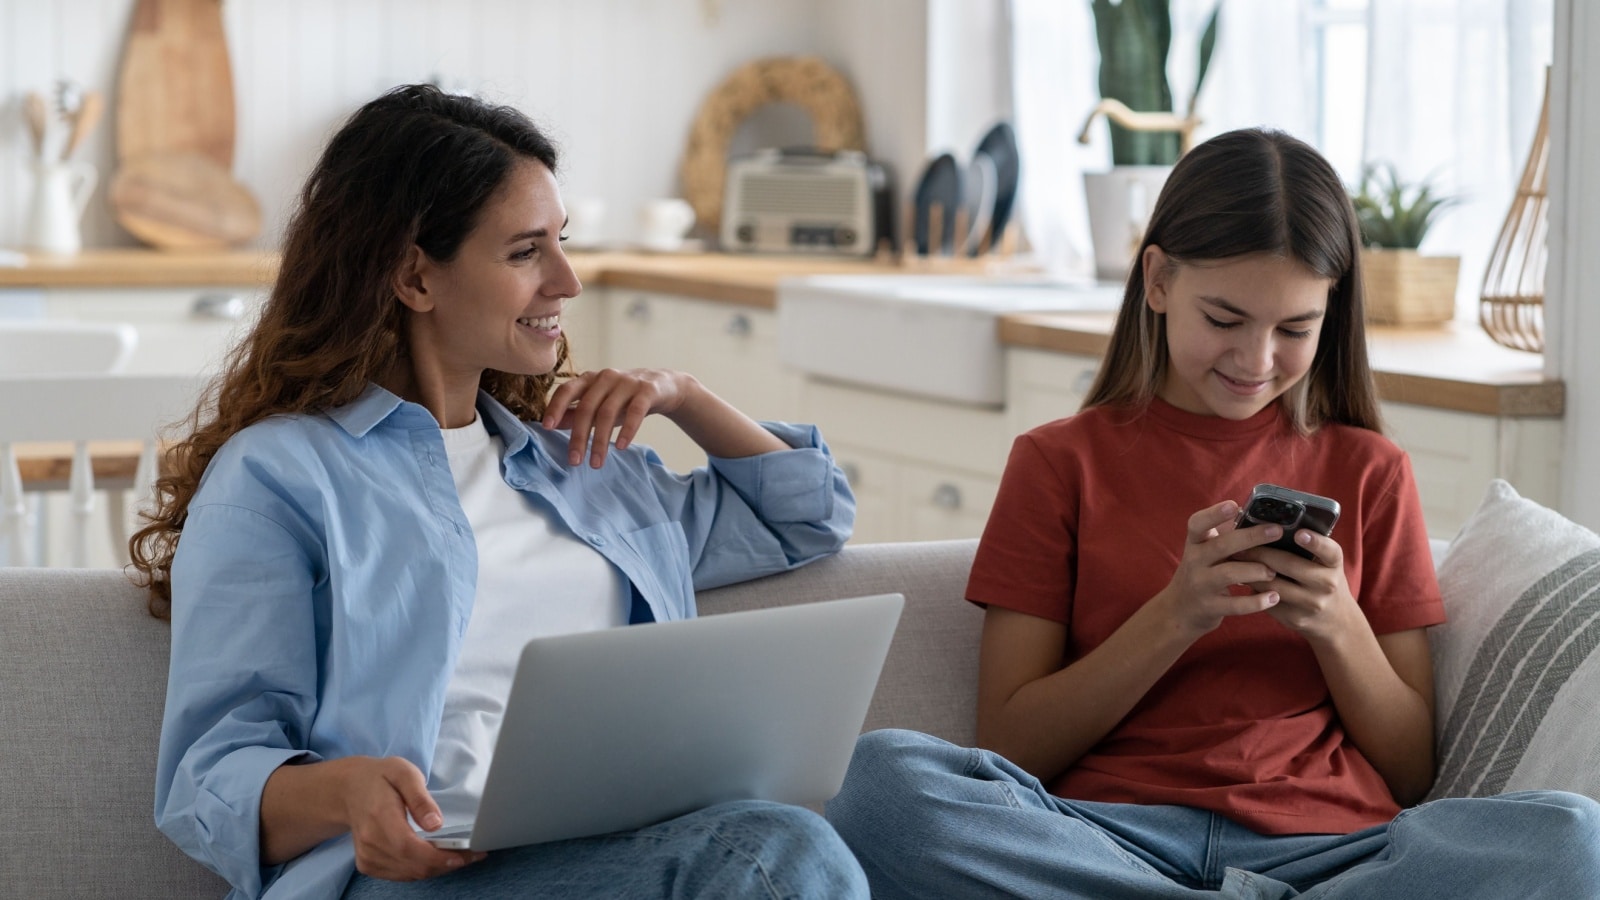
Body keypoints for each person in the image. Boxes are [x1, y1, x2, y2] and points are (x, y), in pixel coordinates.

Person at [131, 84, 866, 900]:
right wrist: (349, 794)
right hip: (417, 878)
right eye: (525, 253)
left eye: (562, 242)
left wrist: (686, 396)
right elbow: (209, 779)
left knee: (862, 802)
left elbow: (806, 518)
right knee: (774, 853)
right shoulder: (283, 474)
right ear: (415, 276)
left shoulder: (579, 465)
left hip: (620, 852)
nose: (568, 281)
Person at [823, 128, 1600, 899]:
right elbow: (1011, 742)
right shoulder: (1058, 462)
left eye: (1294, 329)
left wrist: (1336, 621)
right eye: (1225, 320)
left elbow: (1411, 768)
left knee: (1571, 836)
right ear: (1157, 280)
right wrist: (1178, 613)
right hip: (1103, 837)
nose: (1257, 359)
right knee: (883, 782)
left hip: (1330, 852)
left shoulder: (1371, 469)